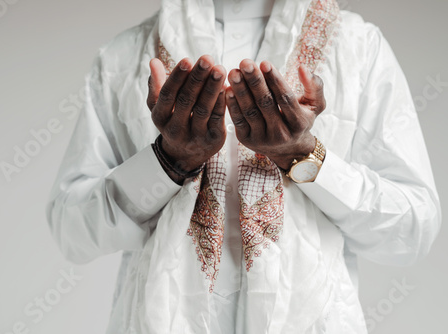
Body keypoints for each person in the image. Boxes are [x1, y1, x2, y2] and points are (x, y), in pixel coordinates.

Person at [46, 0, 441, 332]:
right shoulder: (124, 58)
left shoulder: (357, 49)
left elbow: (412, 229)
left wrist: (302, 156)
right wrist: (168, 162)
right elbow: (73, 231)